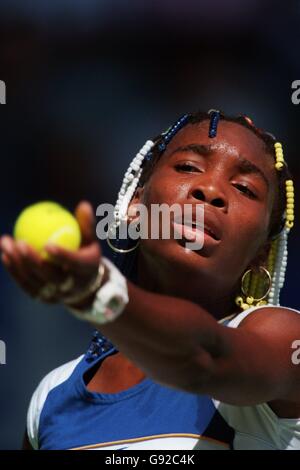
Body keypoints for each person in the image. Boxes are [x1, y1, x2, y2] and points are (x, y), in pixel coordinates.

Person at [1, 110, 299, 450]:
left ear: (262, 252)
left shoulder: (284, 344)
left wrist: (101, 293)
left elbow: (203, 362)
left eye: (245, 188)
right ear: (135, 203)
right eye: (188, 167)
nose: (210, 189)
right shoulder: (51, 398)